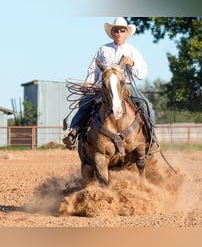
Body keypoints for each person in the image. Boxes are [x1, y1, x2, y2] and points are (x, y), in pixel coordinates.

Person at [63, 17, 158, 153]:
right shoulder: (103, 50)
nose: (119, 32)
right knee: (84, 102)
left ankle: (152, 138)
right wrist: (88, 84)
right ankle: (74, 132)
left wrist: (131, 63)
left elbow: (142, 73)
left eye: (122, 30)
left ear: (126, 33)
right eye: (116, 30)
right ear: (112, 33)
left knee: (146, 105)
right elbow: (94, 70)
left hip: (126, 87)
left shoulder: (132, 51)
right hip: (105, 88)